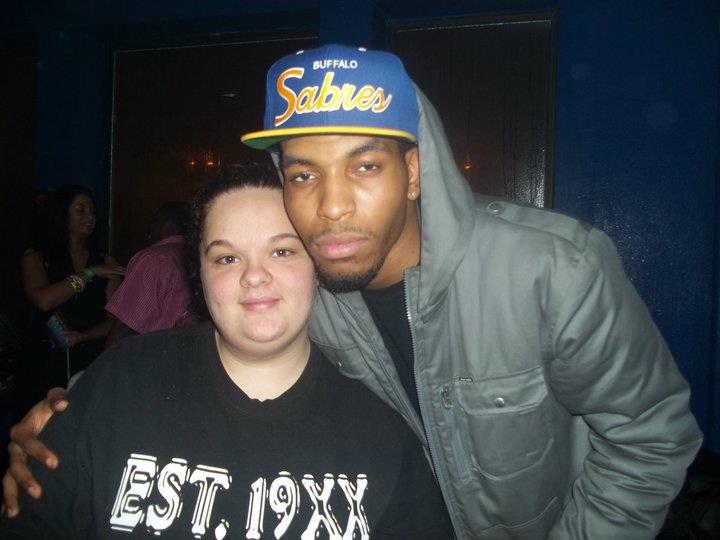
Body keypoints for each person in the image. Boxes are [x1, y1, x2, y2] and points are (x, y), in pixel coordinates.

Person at [4, 44, 703, 538]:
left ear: (414, 172)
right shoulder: (311, 290)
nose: (331, 207)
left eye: (364, 166)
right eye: (303, 174)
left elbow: (652, 439)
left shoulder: (551, 269)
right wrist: (68, 416)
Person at [0, 164, 452, 539]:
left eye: (282, 251)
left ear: (316, 267)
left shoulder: (380, 434)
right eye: (227, 258)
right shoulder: (121, 383)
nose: (254, 276)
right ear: (198, 276)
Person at [18, 185, 124, 401]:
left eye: (93, 211)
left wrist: (84, 336)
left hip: (88, 358)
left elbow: (115, 320)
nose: (90, 217)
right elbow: (44, 300)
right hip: (45, 360)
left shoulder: (105, 261)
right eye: (81, 210)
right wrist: (89, 273)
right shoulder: (37, 256)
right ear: (61, 213)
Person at [104, 201, 194, 347]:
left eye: (153, 222)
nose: (149, 230)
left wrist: (106, 359)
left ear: (166, 223)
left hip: (153, 354)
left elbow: (126, 326)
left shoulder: (155, 259)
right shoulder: (196, 257)